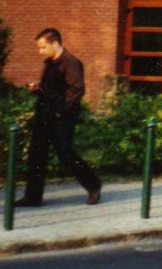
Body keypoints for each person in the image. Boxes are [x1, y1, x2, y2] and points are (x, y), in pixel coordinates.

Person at [16, 29, 102, 207]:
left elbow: (76, 90)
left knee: (66, 154)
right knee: (36, 154)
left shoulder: (71, 63)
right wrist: (37, 89)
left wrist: (60, 112)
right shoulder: (50, 63)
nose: (40, 51)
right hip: (44, 114)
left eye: (43, 47)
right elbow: (51, 90)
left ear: (55, 44)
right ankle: (33, 197)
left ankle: (93, 185)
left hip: (61, 117)